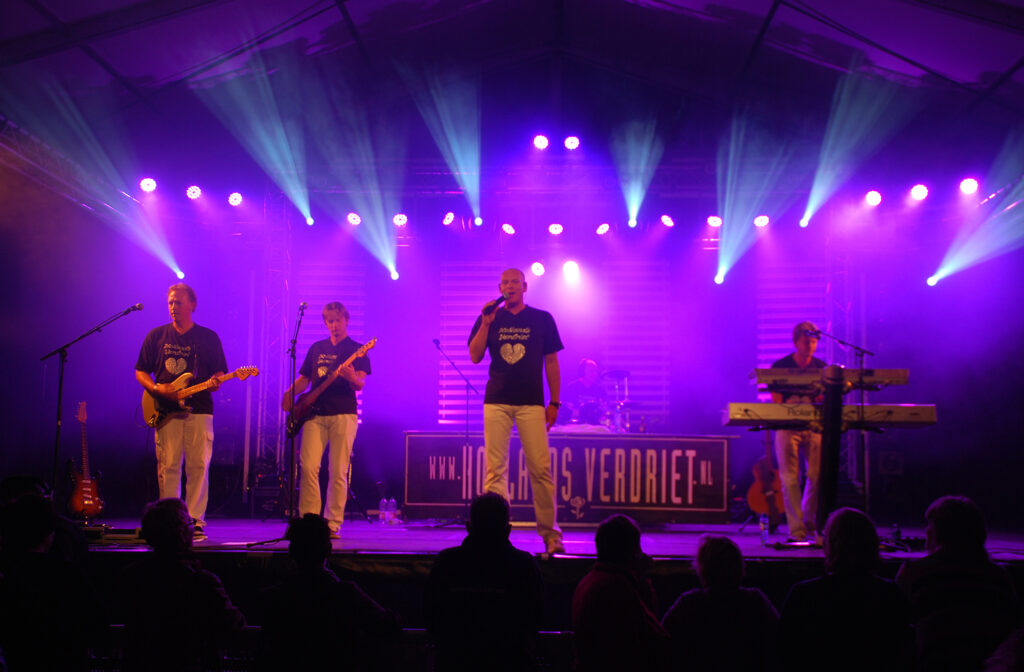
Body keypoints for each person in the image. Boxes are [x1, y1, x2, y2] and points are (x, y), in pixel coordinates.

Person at [468, 268, 565, 556]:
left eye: (515, 282)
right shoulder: (490, 316)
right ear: (500, 288)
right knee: (495, 470)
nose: (510, 286)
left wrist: (555, 402)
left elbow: (551, 362)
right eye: (505, 283)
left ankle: (550, 534)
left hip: (531, 402)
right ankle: (494, 535)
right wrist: (486, 324)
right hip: (496, 401)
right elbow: (474, 356)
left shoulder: (541, 318)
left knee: (540, 468)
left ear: (524, 287)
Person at [136, 282, 226, 538]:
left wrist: (216, 381)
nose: (173, 307)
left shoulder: (208, 337)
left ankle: (194, 521)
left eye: (178, 302)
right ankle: (169, 519)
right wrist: (156, 388)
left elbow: (219, 372)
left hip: (199, 409)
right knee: (169, 466)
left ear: (192, 305)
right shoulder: (156, 336)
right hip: (165, 410)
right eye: (170, 303)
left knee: (198, 466)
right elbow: (141, 371)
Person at [779, 507, 913, 672]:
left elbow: (785, 652)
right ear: (872, 545)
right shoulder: (891, 595)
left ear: (830, 546)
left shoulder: (804, 595)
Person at [259, 514, 399, 671]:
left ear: (291, 551)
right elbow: (389, 625)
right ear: (329, 549)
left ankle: (332, 523)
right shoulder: (346, 594)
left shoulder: (273, 597)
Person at [896, 495, 1019, 672]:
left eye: (929, 525)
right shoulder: (999, 576)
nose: (925, 531)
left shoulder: (913, 572)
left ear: (937, 532)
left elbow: (893, 624)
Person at [120, 498, 245, 671]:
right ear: (183, 533)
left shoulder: (131, 576)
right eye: (190, 524)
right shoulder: (202, 582)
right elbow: (234, 626)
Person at [424, 492, 543, 672]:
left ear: (469, 527)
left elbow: (430, 618)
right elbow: (536, 620)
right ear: (508, 530)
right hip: (510, 663)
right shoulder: (524, 565)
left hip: (455, 662)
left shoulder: (446, 563)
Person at [282, 301, 370, 536]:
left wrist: (351, 376)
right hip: (314, 414)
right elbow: (305, 379)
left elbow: (360, 383)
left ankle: (332, 524)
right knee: (308, 466)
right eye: (330, 321)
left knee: (338, 470)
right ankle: (309, 520)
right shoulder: (316, 348)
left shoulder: (358, 349)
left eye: (338, 320)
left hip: (343, 414)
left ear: (346, 320)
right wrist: (291, 392)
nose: (334, 325)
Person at [661, 535, 778, 672]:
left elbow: (661, 640)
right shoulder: (755, 601)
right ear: (739, 566)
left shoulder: (689, 603)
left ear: (702, 569)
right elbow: (781, 639)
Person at [571, 515, 669, 672]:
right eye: (638, 547)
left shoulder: (588, 581)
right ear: (632, 551)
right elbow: (653, 639)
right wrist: (641, 579)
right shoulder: (617, 587)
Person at [767, 320, 826, 542]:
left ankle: (808, 521)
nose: (810, 346)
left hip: (813, 426)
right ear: (795, 342)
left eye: (813, 342)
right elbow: (777, 400)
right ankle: (796, 530)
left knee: (816, 476)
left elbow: (822, 399)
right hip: (787, 428)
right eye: (806, 342)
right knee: (790, 479)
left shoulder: (822, 368)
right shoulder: (780, 367)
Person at [562, 358, 607, 425]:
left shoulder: (600, 390)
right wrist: (585, 414)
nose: (595, 374)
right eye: (591, 371)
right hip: (576, 426)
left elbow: (604, 411)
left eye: (596, 371)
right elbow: (568, 411)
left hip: (595, 426)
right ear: (582, 372)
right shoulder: (571, 388)